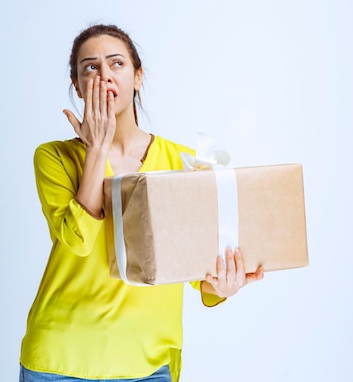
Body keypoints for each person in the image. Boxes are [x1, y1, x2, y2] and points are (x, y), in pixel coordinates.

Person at [19, 24, 264, 382]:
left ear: (137, 77)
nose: (104, 75)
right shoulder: (53, 158)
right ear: (78, 86)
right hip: (60, 362)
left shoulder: (184, 162)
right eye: (90, 67)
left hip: (148, 365)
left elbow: (198, 275)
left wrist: (223, 286)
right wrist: (96, 150)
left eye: (116, 63)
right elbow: (78, 241)